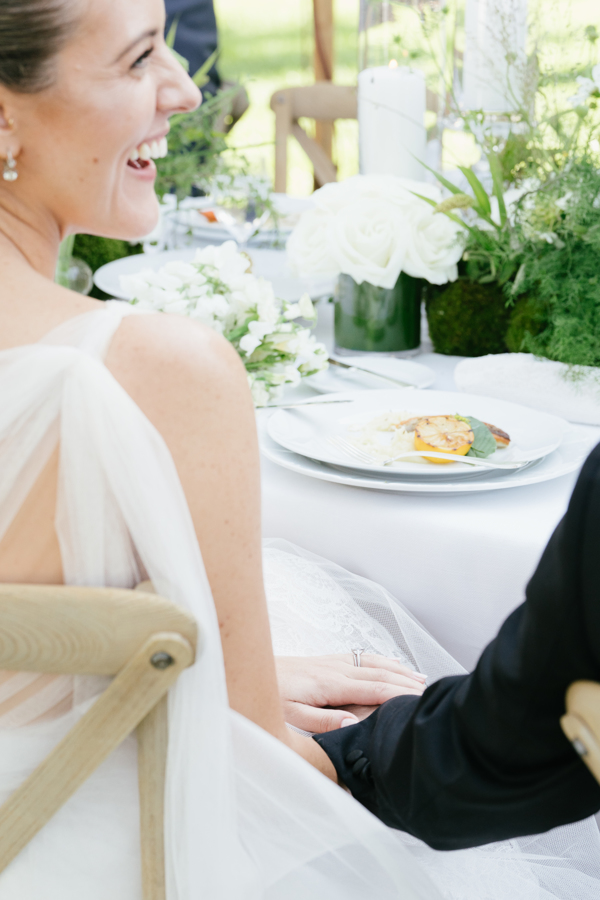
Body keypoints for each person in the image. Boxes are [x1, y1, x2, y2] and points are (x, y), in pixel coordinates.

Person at [0, 2, 599, 899]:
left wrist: (166, 679)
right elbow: (255, 765)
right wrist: (231, 703)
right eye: (137, 60)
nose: (184, 88)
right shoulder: (158, 371)